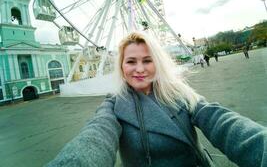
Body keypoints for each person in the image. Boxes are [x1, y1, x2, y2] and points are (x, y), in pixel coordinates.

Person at [46, 32, 267, 167]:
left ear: (157, 63)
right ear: (122, 67)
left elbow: (223, 122)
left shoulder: (179, 93)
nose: (139, 69)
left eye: (147, 60)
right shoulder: (113, 104)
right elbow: (95, 137)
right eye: (131, 61)